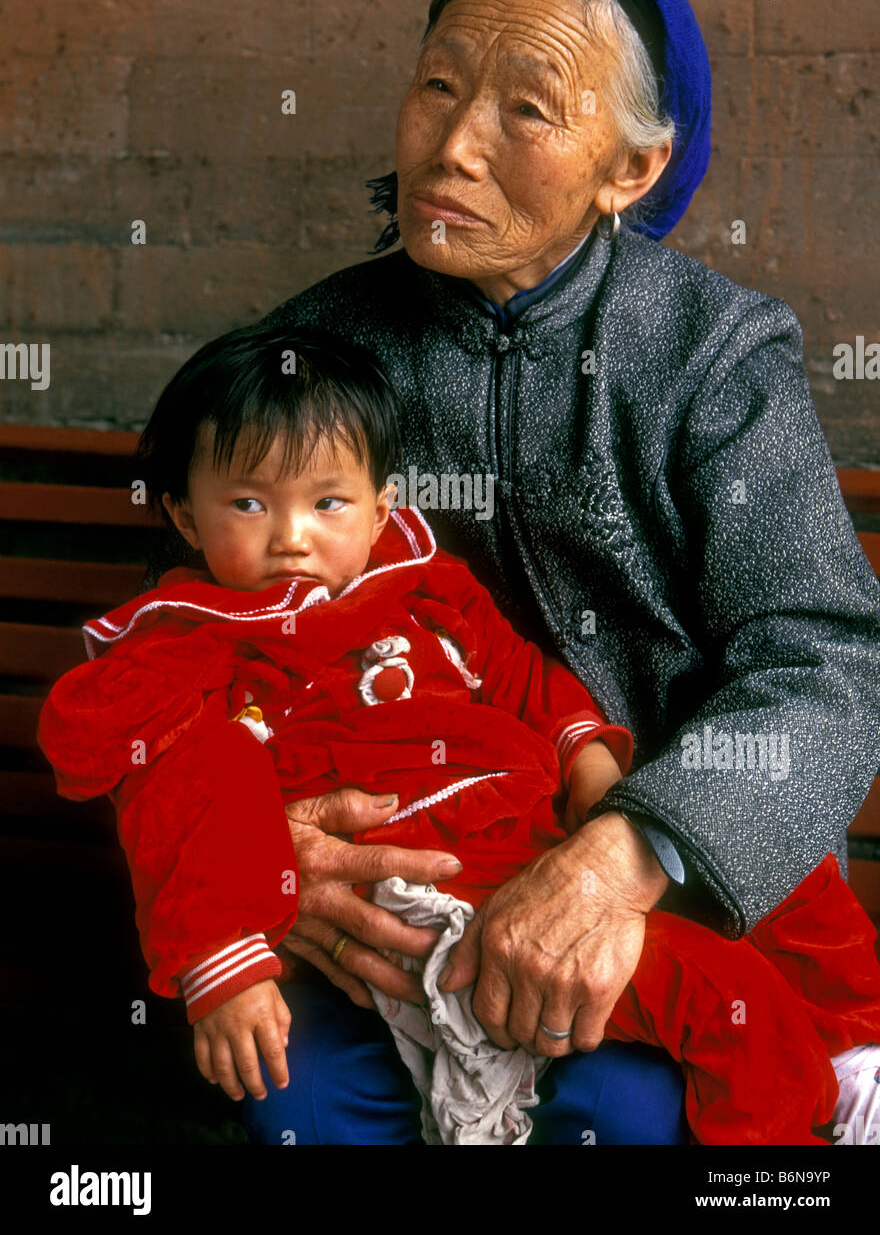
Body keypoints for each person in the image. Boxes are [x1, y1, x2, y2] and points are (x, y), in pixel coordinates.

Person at [141, 0, 880, 1144]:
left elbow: (827, 664)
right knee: (296, 1108)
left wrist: (622, 856)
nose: (456, 141)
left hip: (661, 891)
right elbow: (185, 642)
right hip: (399, 889)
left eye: (527, 108)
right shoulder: (315, 357)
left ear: (629, 169)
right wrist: (268, 855)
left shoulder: (710, 353)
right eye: (437, 85)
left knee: (618, 1112)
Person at [39, 325, 880, 1146]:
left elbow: (523, 677)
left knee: (749, 833)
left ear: (381, 509)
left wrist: (585, 758)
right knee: (726, 1001)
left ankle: (852, 1054)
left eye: (328, 502)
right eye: (249, 503)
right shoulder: (190, 645)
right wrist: (224, 960)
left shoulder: (429, 590)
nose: (291, 536)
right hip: (423, 910)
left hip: (540, 854)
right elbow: (176, 791)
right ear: (185, 517)